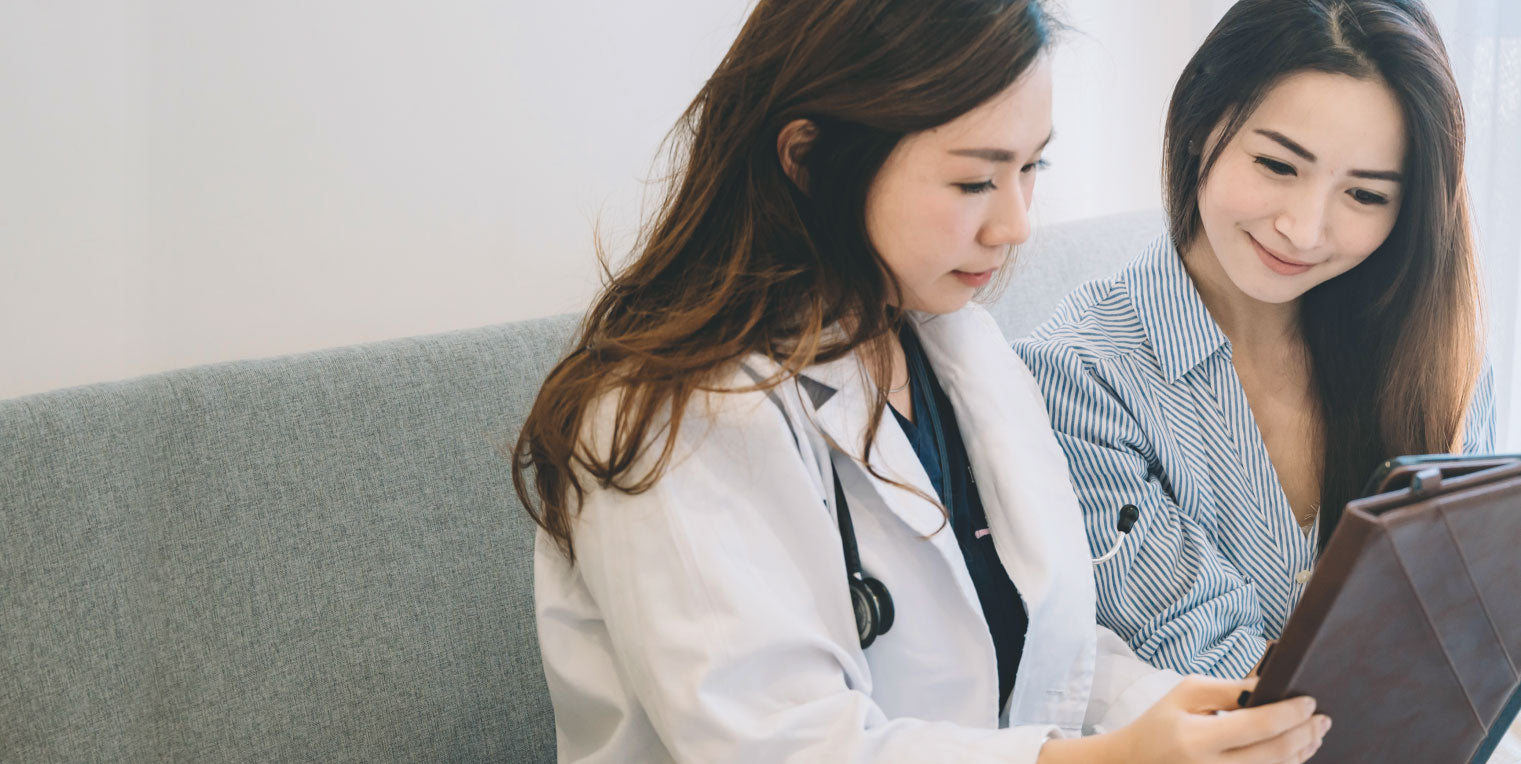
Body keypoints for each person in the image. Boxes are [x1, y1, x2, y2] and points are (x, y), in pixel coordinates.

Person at [515, 0, 1330, 761]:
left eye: (1030, 169)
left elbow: (1049, 654)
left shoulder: (954, 346)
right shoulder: (667, 413)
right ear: (807, 158)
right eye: (975, 179)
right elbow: (783, 743)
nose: (1015, 224)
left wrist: (1188, 711)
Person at [1015, 0, 1494, 680]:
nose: (1302, 228)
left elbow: (1466, 635)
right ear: (1199, 125)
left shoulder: (1435, 358)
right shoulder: (1074, 379)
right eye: (1276, 165)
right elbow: (1211, 670)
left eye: (1363, 196)